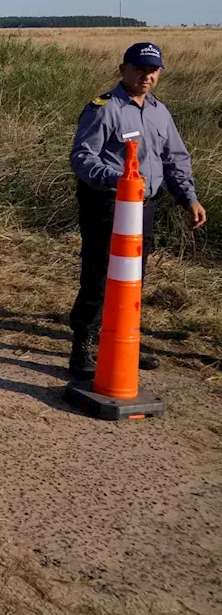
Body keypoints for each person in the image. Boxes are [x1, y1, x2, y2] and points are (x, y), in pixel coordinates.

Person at [67, 41, 206, 376]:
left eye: (152, 70)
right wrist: (120, 180)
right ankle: (83, 346)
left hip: (145, 207)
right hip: (108, 203)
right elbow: (83, 158)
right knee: (100, 274)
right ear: (123, 70)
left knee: (133, 277)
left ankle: (123, 341)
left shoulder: (160, 111)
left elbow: (175, 159)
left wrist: (189, 198)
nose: (146, 76)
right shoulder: (104, 108)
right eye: (139, 69)